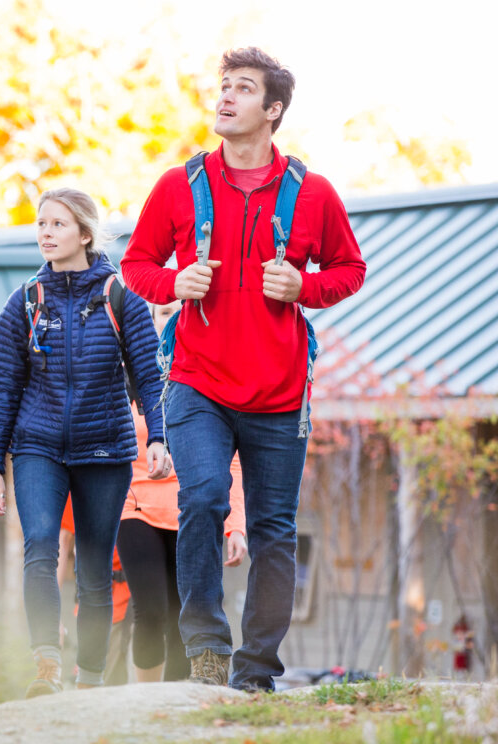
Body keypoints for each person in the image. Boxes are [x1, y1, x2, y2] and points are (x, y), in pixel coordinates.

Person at [120, 47, 367, 692]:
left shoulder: (312, 194)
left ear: (273, 109)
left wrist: (302, 288)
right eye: (223, 86)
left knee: (273, 532)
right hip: (197, 382)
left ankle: (256, 670)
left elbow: (350, 270)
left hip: (281, 394)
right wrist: (177, 281)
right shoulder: (180, 185)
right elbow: (137, 264)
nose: (225, 97)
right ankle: (205, 646)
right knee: (200, 497)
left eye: (243, 88)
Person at [0, 187, 169, 697]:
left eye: (58, 225)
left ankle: (88, 680)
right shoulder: (24, 304)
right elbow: (1, 388)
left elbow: (148, 374)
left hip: (105, 449)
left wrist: (158, 436)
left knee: (92, 569)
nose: (46, 233)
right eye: (41, 224)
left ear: (84, 234)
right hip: (37, 446)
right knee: (39, 547)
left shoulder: (121, 299)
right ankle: (45, 667)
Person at [117, 301, 248, 684]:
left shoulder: (212, 379)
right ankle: (145, 698)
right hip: (134, 508)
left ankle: (176, 701)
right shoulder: (128, 377)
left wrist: (235, 524)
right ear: (151, 320)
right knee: (151, 609)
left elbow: (231, 462)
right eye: (164, 312)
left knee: (183, 613)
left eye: (182, 310)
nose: (173, 318)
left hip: (189, 509)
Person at [57, 498, 132, 686]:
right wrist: (53, 611)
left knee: (113, 673)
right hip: (88, 596)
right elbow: (62, 542)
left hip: (128, 596)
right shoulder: (76, 488)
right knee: (86, 671)